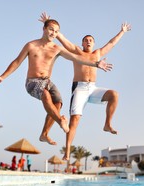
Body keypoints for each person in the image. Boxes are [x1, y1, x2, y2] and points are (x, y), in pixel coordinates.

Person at [0, 18, 112, 146]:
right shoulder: (31, 45)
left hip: (47, 81)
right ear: (44, 29)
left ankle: (44, 134)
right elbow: (17, 62)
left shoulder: (56, 48)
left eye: (56, 31)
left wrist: (97, 63)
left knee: (58, 103)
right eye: (51, 29)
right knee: (46, 95)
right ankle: (60, 121)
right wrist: (2, 77)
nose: (53, 33)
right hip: (32, 82)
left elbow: (77, 58)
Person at [39, 13, 131, 160]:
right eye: (86, 40)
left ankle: (107, 124)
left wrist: (122, 32)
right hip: (80, 89)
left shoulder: (98, 53)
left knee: (114, 94)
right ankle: (67, 151)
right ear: (82, 43)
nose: (88, 42)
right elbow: (62, 39)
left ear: (93, 43)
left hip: (93, 89)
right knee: (74, 121)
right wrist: (49, 24)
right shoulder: (77, 51)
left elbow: (111, 43)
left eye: (91, 40)